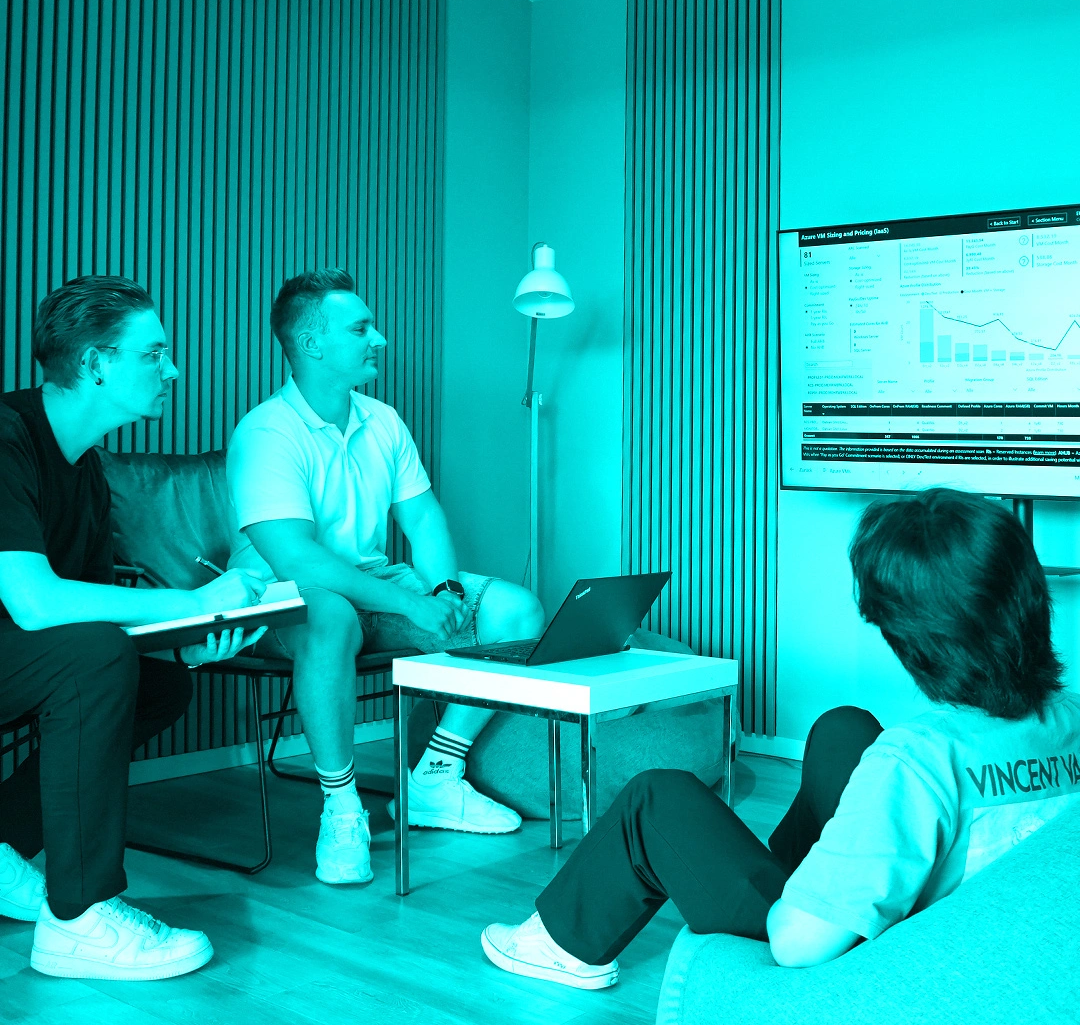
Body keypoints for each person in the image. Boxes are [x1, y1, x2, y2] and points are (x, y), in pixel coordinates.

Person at [480, 488, 1080, 988]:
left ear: (913, 638)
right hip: (983, 927)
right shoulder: (1069, 716)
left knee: (656, 800)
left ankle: (561, 944)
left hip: (881, 959)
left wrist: (801, 911)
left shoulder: (916, 760)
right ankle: (799, 874)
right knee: (843, 729)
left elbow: (797, 946)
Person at [226, 267, 545, 886]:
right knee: (330, 614)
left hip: (376, 584)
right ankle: (341, 806)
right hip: (283, 597)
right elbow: (297, 560)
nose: (380, 338)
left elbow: (423, 519)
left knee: (516, 611)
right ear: (312, 343)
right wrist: (411, 603)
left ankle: (435, 778)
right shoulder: (265, 432)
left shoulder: (383, 420)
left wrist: (445, 592)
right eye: (361, 328)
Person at [0, 276, 267, 980]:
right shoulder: (4, 438)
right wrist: (191, 601)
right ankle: (78, 919)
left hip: (15, 654)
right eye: (155, 354)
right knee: (93, 657)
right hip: (17, 638)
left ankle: (0, 842)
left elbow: (90, 605)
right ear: (95, 364)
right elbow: (33, 602)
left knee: (159, 684)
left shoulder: (86, 469)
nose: (172, 370)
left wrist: (191, 638)